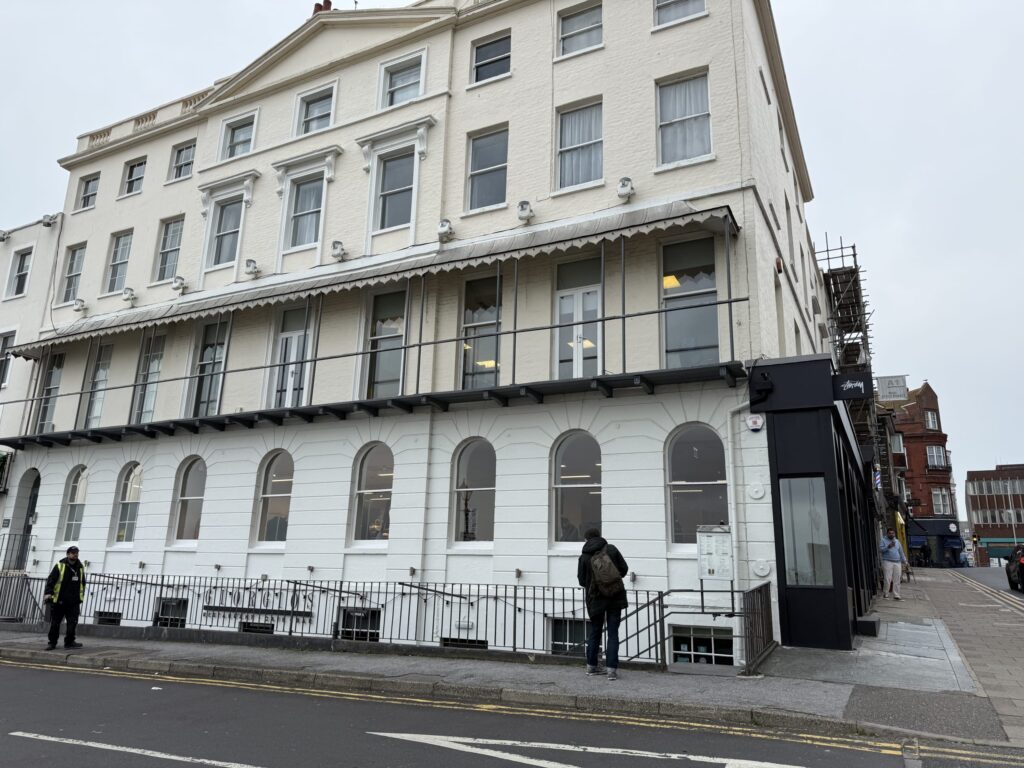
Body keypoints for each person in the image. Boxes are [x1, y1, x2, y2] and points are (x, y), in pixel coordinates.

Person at [577, 528, 628, 681]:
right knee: (613, 634)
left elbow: (581, 580)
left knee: (595, 632)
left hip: (595, 599)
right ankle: (611, 670)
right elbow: (624, 569)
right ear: (599, 535)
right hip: (615, 596)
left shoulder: (584, 556)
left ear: (587, 539)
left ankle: (591, 667)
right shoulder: (611, 549)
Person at [43, 546, 86, 650]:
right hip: (59, 601)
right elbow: (51, 580)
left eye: (76, 552)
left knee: (72, 623)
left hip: (73, 602)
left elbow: (82, 583)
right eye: (72, 553)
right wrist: (48, 593)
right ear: (68, 554)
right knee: (55, 623)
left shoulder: (80, 567)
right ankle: (52, 643)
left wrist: (79, 598)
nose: (75, 554)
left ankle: (69, 642)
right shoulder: (60, 565)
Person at [879, 528, 908, 601]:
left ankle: (896, 595)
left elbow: (901, 552)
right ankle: (886, 594)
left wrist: (905, 561)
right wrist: (888, 547)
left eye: (893, 533)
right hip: (887, 561)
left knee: (897, 579)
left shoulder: (897, 541)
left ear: (894, 534)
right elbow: (881, 550)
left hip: (897, 562)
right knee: (887, 578)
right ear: (887, 533)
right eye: (890, 533)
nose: (891, 534)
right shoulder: (883, 540)